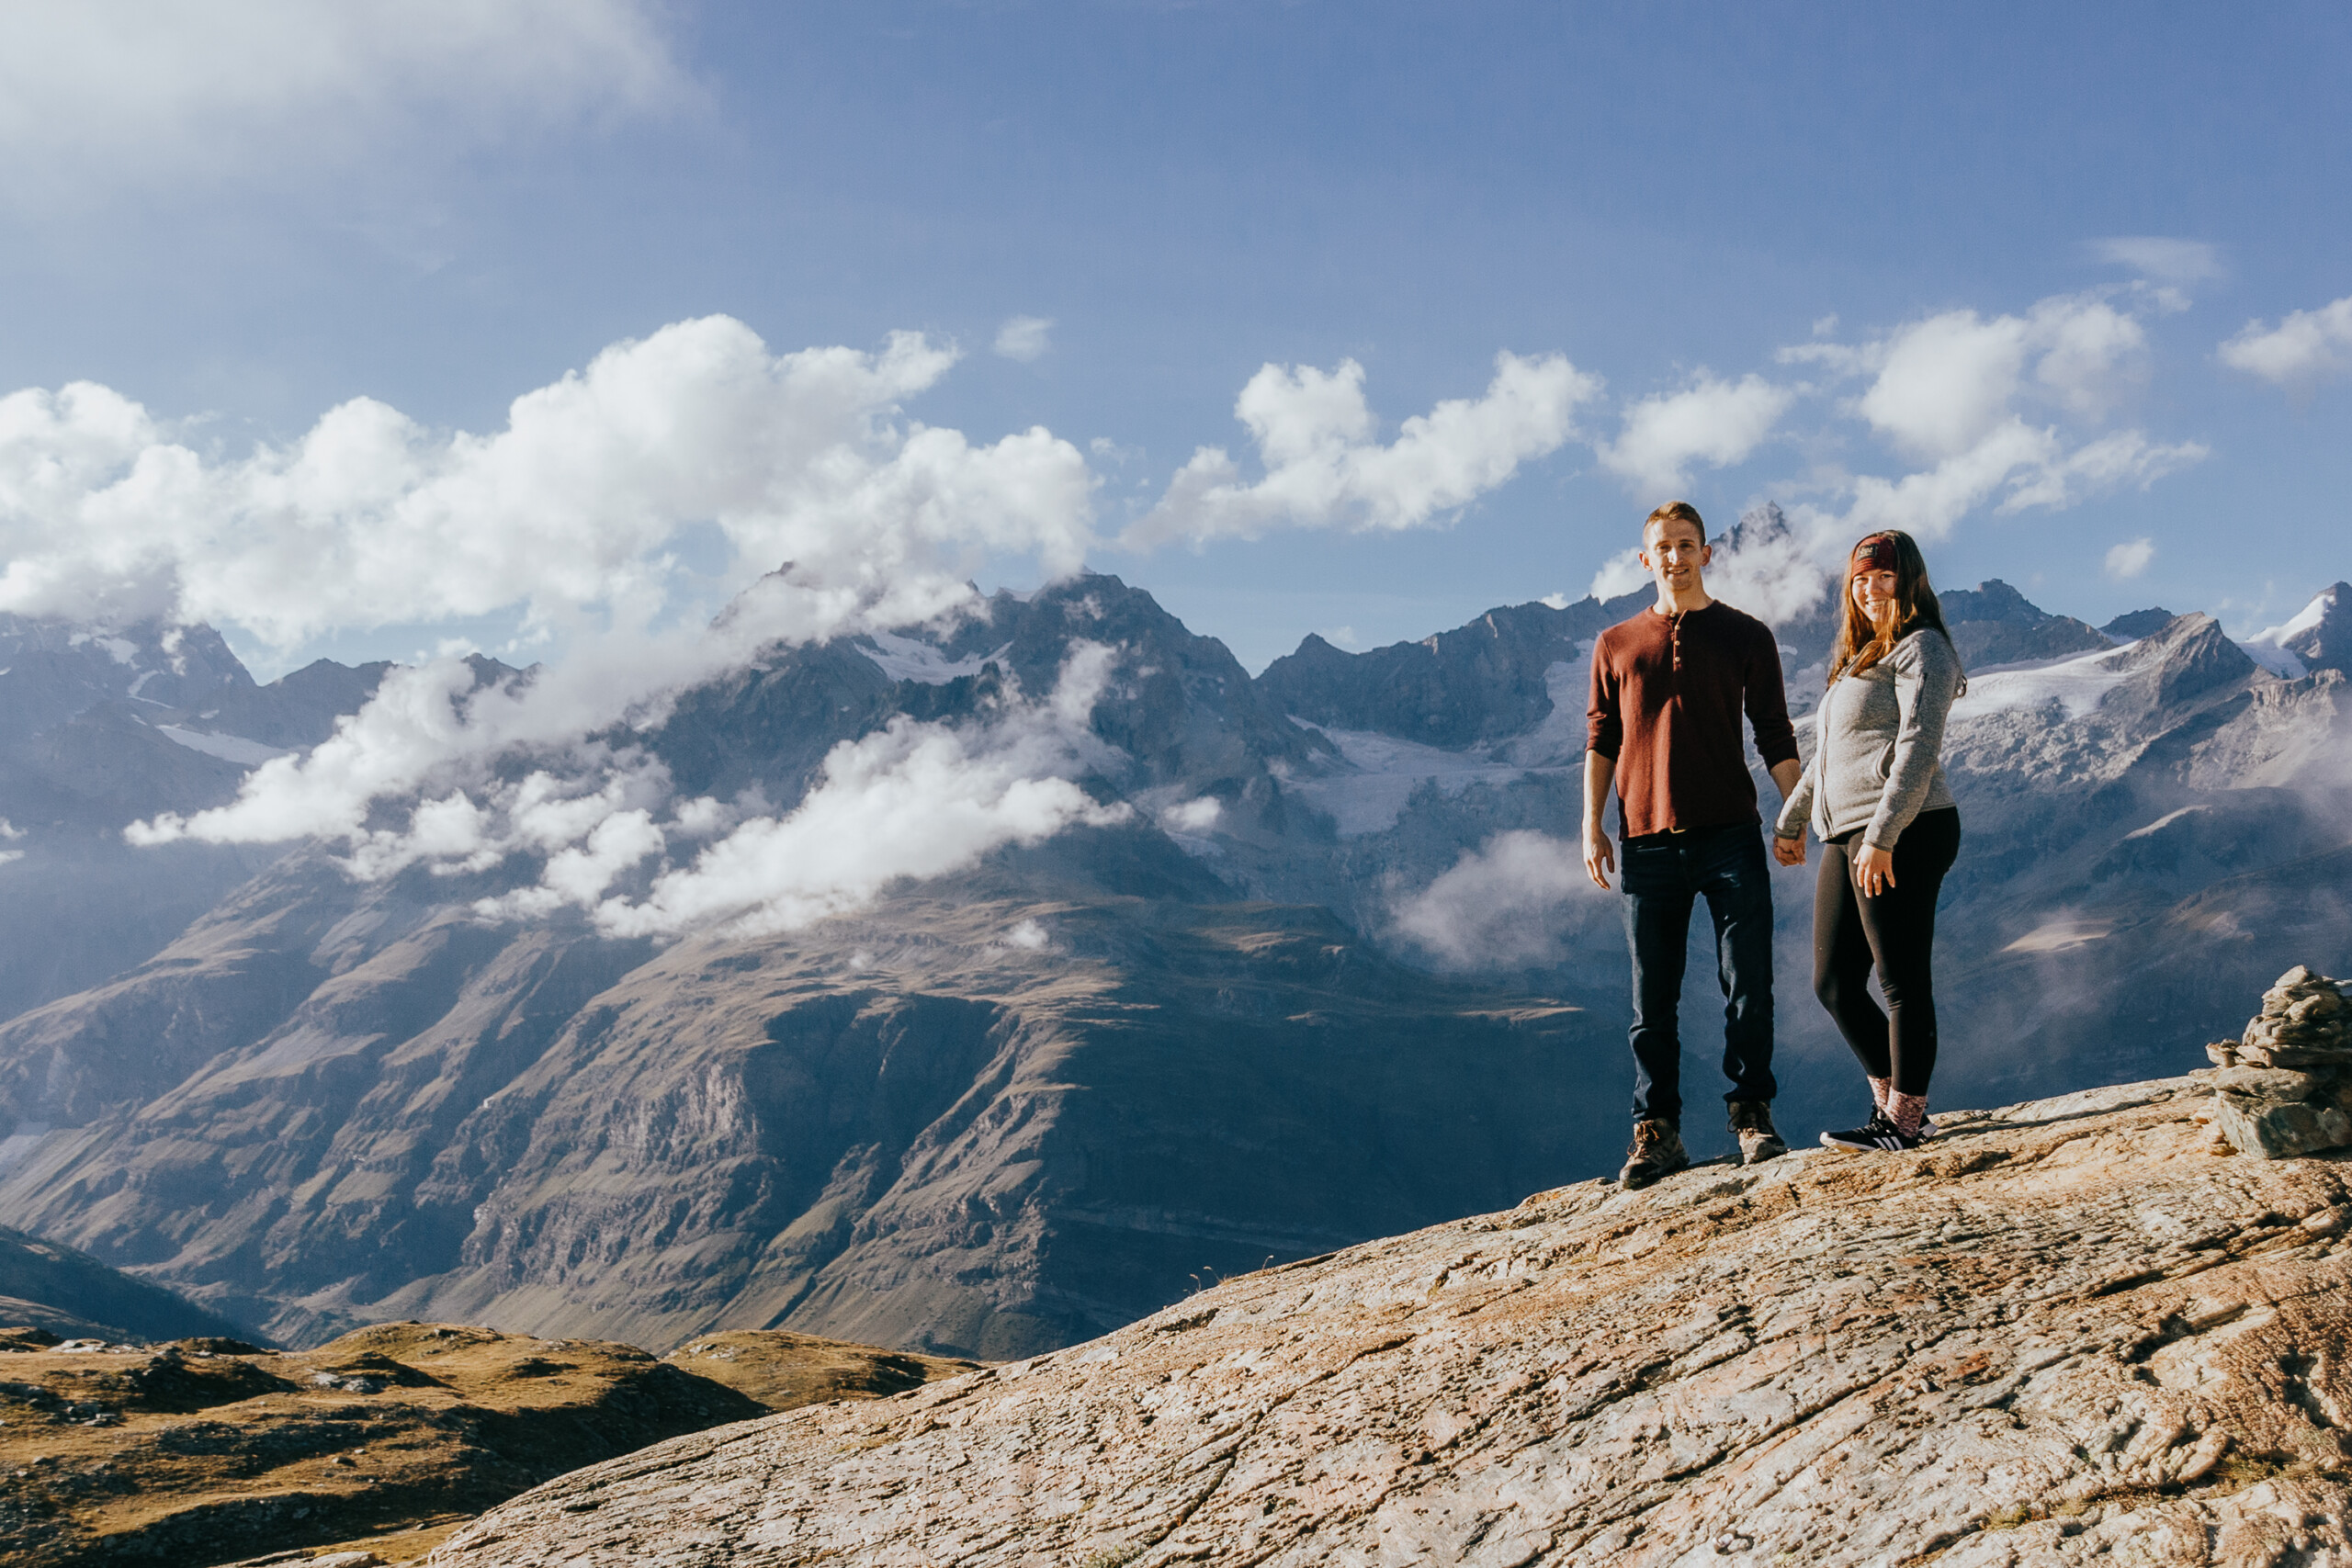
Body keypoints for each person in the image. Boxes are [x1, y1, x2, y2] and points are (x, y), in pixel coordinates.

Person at [1584, 502, 1804, 1190]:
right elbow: (1601, 740)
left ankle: (1753, 1117)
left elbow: (1774, 731)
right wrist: (1590, 823)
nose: (1675, 556)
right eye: (1663, 547)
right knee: (1652, 999)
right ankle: (1657, 1133)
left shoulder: (1746, 635)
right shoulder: (1615, 643)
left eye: (1686, 545)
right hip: (1645, 840)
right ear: (1644, 558)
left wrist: (1794, 814)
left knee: (1748, 984)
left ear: (1706, 554)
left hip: (1731, 836)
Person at [1771, 530, 1965, 1152]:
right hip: (1847, 831)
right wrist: (1792, 818)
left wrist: (1883, 835)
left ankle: (1902, 1123)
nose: (1871, 589)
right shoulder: (1859, 657)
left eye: (1884, 577)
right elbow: (1831, 755)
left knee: (1900, 978)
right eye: (1860, 579)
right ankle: (1895, 1104)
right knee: (1832, 981)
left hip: (1904, 826)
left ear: (1910, 582)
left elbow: (1917, 745)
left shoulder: (1922, 649)